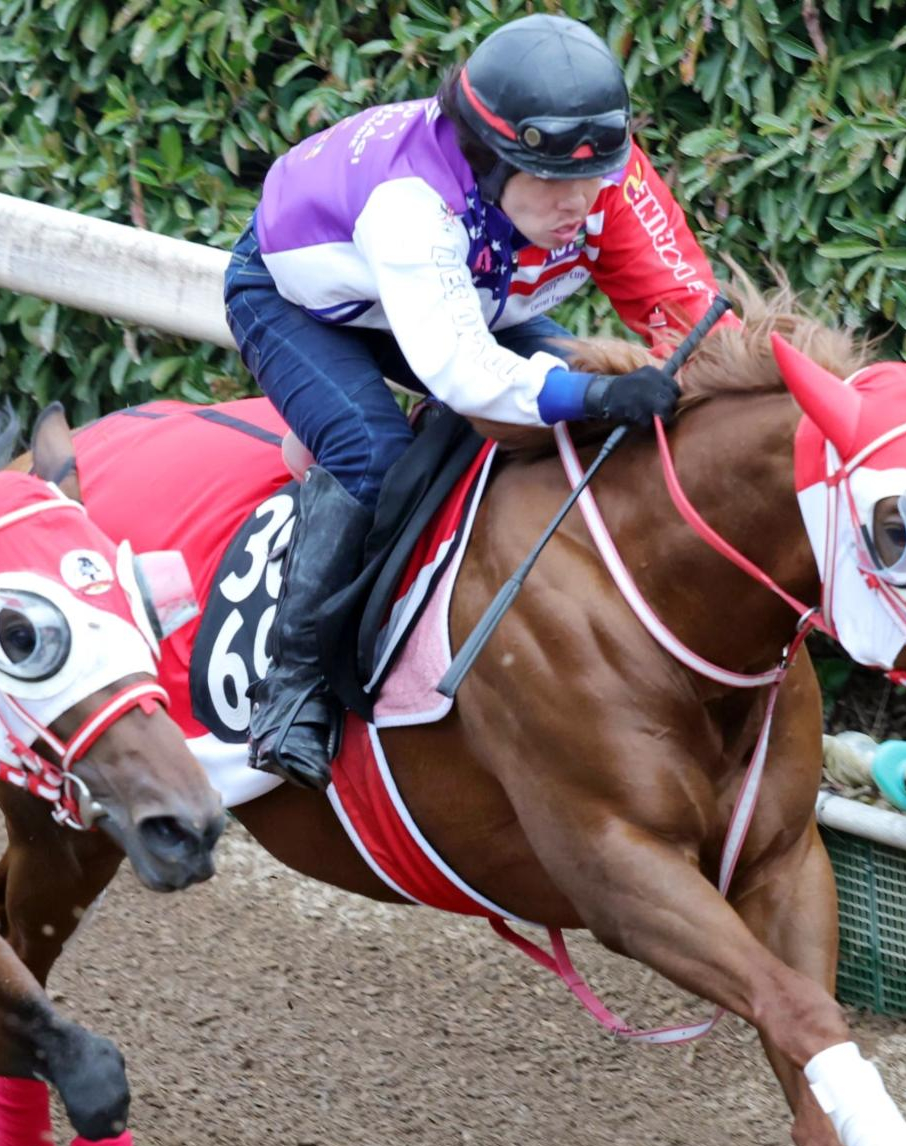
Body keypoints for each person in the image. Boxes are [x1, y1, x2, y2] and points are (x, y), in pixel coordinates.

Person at [225, 14, 725, 790]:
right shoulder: (411, 206)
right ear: (490, 160)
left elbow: (691, 313)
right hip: (302, 302)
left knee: (591, 405)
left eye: (595, 178)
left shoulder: (601, 175)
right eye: (556, 183)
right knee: (374, 454)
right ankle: (292, 692)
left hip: (465, 295)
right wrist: (595, 391)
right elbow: (465, 373)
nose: (583, 202)